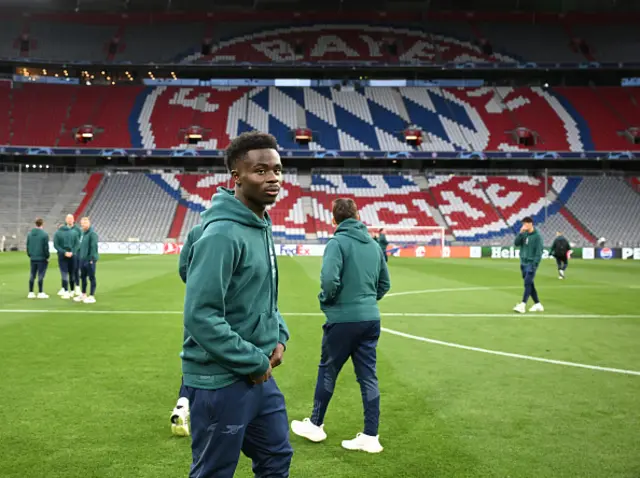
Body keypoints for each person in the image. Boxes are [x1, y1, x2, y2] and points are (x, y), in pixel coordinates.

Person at [182, 131, 292, 477]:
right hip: (221, 380)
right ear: (236, 177)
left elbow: (263, 295)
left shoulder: (259, 222)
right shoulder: (222, 234)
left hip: (259, 375)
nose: (273, 178)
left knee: (276, 458)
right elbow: (201, 315)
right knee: (214, 471)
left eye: (277, 169)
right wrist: (254, 360)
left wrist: (279, 335)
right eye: (261, 171)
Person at [290, 198, 391, 454]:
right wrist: (367, 302)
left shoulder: (337, 242)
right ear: (358, 216)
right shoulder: (373, 244)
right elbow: (384, 284)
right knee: (368, 376)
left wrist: (328, 301)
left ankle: (315, 424)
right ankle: (371, 436)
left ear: (333, 220)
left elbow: (328, 280)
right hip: (371, 319)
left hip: (343, 320)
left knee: (328, 370)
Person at [170, 223, 203, 437]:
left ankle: (183, 403)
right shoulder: (242, 230)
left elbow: (184, 269)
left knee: (194, 356)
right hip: (234, 308)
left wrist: (197, 285)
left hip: (197, 304)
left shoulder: (196, 232)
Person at [513, 216, 544, 313]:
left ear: (531, 224)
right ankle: (538, 304)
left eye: (525, 224)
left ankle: (522, 305)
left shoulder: (537, 236)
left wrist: (535, 264)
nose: (524, 225)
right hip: (523, 262)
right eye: (523, 224)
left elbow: (539, 252)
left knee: (527, 283)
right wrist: (520, 233)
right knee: (530, 284)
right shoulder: (524, 234)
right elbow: (516, 243)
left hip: (531, 263)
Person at [73, 217, 99, 304]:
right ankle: (83, 294)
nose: (82, 225)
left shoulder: (92, 234)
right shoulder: (83, 234)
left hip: (89, 260)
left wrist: (92, 258)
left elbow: (93, 247)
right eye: (82, 223)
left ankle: (92, 296)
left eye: (84, 223)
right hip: (82, 259)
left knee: (91, 277)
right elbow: (80, 247)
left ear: (88, 224)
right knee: (83, 277)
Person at [53, 221, 79, 299]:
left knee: (64, 273)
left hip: (62, 256)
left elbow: (56, 245)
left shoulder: (57, 233)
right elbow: (77, 244)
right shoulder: (74, 232)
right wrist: (72, 252)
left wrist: (64, 252)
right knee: (72, 273)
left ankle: (66, 291)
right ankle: (72, 291)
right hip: (72, 255)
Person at [26, 218, 50, 299]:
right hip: (41, 258)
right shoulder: (44, 234)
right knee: (41, 275)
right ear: (42, 224)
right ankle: (40, 292)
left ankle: (31, 292)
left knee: (32, 274)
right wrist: (47, 256)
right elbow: (45, 247)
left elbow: (28, 246)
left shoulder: (30, 234)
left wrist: (30, 254)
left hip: (33, 257)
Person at [66, 214, 83, 297]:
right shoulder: (64, 229)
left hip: (76, 253)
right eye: (68, 219)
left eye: (71, 219)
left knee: (76, 270)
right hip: (66, 254)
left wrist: (74, 251)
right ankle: (71, 289)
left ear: (73, 220)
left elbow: (79, 242)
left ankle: (77, 287)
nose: (69, 220)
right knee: (69, 271)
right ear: (66, 220)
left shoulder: (77, 230)